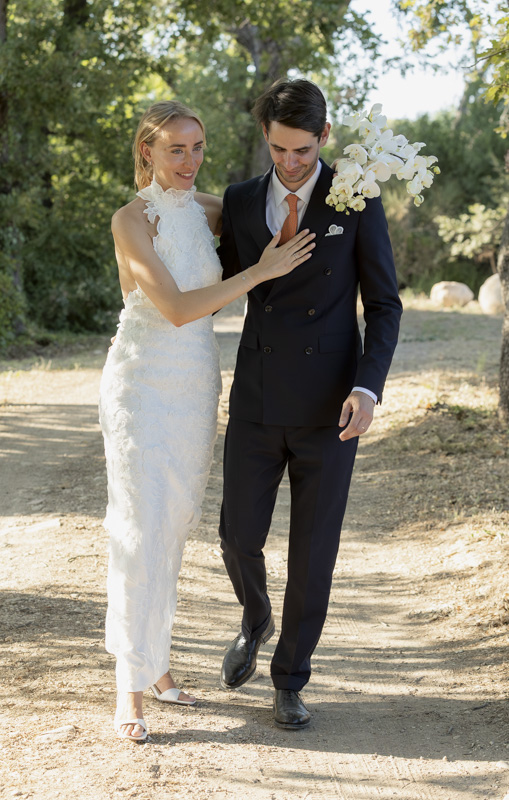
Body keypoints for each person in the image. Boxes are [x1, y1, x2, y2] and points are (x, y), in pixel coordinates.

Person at [98, 100, 316, 741]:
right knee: (139, 528)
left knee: (172, 525)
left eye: (197, 148)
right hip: (141, 383)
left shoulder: (212, 210)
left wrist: (348, 183)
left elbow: (281, 206)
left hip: (195, 385)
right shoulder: (130, 220)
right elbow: (173, 307)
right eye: (176, 149)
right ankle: (130, 687)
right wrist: (258, 272)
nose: (190, 160)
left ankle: (158, 667)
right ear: (148, 151)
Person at [217, 79, 403, 729]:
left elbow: (384, 305)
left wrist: (367, 386)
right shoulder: (241, 201)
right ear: (265, 138)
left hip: (331, 406)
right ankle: (255, 617)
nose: (291, 163)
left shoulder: (357, 197)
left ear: (325, 136)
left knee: (312, 552)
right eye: (278, 150)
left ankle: (290, 677)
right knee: (236, 536)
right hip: (257, 395)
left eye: (302, 149)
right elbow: (217, 283)